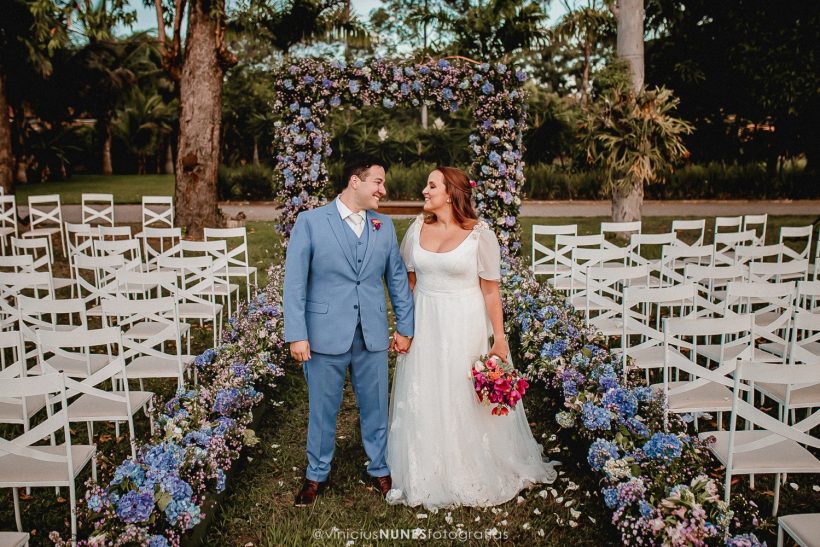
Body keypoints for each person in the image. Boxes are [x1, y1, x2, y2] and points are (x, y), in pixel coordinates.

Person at [387, 166, 557, 510]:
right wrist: (404, 328)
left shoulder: (480, 235)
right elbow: (409, 285)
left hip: (464, 323)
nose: (424, 190)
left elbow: (491, 292)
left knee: (463, 392)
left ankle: (471, 462)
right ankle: (426, 465)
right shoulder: (417, 228)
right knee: (426, 388)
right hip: (426, 321)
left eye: (431, 185)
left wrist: (500, 339)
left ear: (450, 193)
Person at [284, 155, 415, 507]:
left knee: (375, 404)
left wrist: (405, 326)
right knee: (322, 408)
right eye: (378, 182)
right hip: (324, 333)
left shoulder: (383, 226)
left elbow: (397, 281)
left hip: (371, 333)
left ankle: (379, 468)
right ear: (355, 181)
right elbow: (294, 282)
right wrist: (297, 333)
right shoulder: (310, 222)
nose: (383, 190)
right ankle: (315, 474)